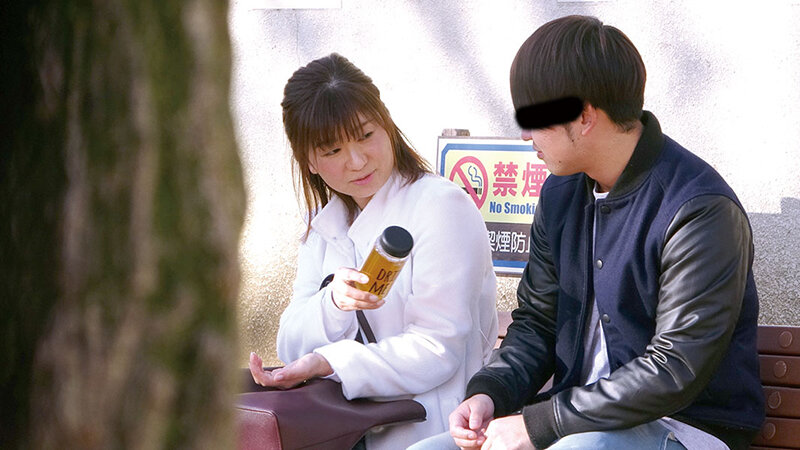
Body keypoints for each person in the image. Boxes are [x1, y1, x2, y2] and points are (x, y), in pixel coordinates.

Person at [439, 15, 764, 450]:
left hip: (688, 427)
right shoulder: (560, 194)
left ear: (585, 116)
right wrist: (489, 392)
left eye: (535, 118)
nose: (526, 135)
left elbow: (674, 369)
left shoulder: (698, 209)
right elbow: (538, 322)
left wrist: (542, 423)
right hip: (575, 426)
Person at [248, 53, 498, 449]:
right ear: (309, 161)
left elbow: (436, 348)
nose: (357, 160)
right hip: (345, 433)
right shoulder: (323, 225)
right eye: (332, 151)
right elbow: (291, 344)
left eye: (366, 135)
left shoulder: (440, 207)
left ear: (388, 125)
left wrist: (331, 362)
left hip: (434, 431)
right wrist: (333, 303)